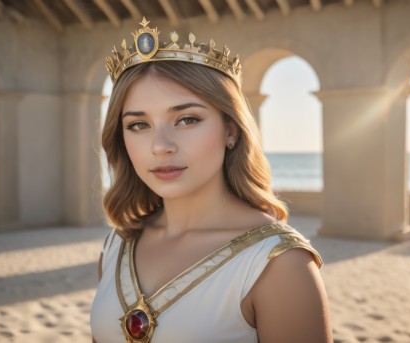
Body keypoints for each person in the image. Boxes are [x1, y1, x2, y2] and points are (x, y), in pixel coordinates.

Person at [90, 17, 333, 343]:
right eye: (138, 125)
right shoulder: (116, 247)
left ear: (230, 129)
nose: (160, 146)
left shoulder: (279, 265)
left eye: (187, 119)